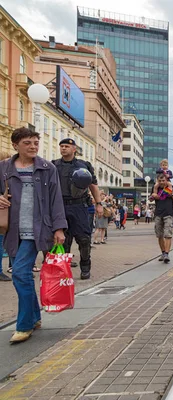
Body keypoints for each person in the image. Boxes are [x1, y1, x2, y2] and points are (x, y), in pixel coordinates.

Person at [0, 127, 67, 343]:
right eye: (28, 143)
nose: (33, 146)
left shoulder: (47, 168)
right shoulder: (3, 168)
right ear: (16, 145)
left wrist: (59, 228)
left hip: (38, 228)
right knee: (24, 274)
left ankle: (24, 325)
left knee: (19, 272)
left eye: (35, 142)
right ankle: (36, 316)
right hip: (12, 228)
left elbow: (56, 199)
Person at [52, 138, 103, 279]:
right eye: (61, 146)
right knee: (63, 240)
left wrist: (99, 204)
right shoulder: (53, 165)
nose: (63, 148)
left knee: (84, 239)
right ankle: (63, 270)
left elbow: (93, 185)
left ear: (74, 149)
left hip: (79, 205)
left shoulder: (84, 165)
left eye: (67, 146)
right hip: (60, 206)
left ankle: (85, 266)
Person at [151, 172, 173, 263]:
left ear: (167, 180)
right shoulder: (155, 188)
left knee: (168, 234)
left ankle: (167, 254)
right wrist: (152, 196)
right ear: (158, 181)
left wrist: (171, 194)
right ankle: (163, 253)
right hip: (158, 214)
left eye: (163, 180)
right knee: (159, 235)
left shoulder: (172, 188)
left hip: (169, 214)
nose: (162, 182)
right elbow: (152, 198)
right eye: (160, 181)